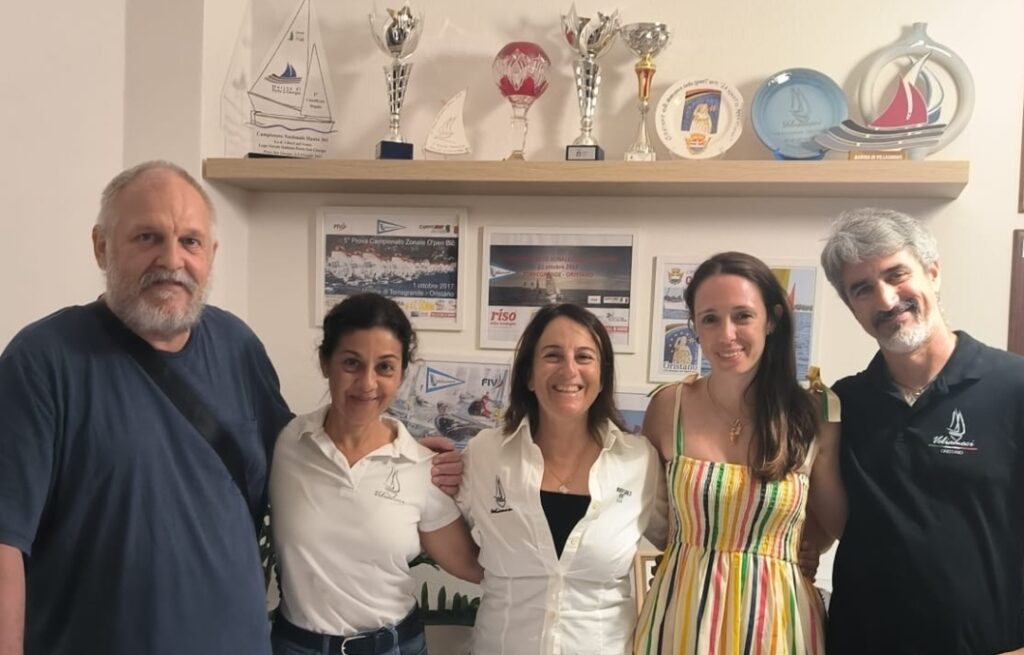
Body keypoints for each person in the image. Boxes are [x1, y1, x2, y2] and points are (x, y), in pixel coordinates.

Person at [0, 161, 293, 655]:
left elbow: (302, 466)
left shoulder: (238, 347)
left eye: (190, 241)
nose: (172, 260)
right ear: (101, 246)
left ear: (211, 254)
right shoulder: (41, 361)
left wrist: (402, 455)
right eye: (147, 237)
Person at [820, 208, 1024, 654]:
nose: (886, 299)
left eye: (897, 274)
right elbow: (822, 520)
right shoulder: (842, 404)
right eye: (862, 289)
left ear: (932, 272)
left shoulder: (1014, 387)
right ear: (852, 308)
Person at [633, 252, 845, 655]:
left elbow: (835, 522)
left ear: (773, 320)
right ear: (694, 327)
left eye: (742, 316)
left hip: (777, 621)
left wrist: (799, 548)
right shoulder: (668, 407)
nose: (726, 334)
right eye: (710, 319)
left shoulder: (815, 412)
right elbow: (654, 518)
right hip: (682, 614)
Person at [269, 293, 481, 655]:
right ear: (325, 362)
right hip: (297, 646)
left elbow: (475, 566)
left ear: (401, 374)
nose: (367, 383)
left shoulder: (420, 467)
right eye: (352, 363)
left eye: (384, 367)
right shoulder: (286, 443)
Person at [456, 303, 668, 655]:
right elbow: (437, 518)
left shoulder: (640, 461)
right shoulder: (485, 453)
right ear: (529, 375)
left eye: (584, 357)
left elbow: (683, 541)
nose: (569, 369)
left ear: (602, 376)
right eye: (552, 355)